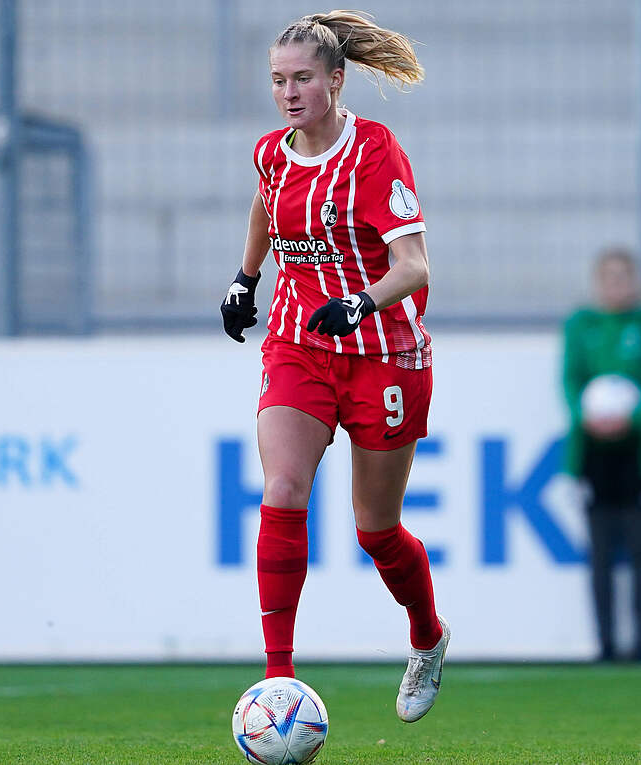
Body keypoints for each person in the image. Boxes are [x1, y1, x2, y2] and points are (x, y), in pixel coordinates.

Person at [220, 10, 447, 723]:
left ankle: (427, 636)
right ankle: (277, 680)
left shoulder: (375, 152)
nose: (288, 93)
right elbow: (266, 206)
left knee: (376, 530)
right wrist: (245, 279)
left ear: (337, 80)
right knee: (283, 487)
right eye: (278, 80)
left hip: (383, 354)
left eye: (302, 79)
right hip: (300, 344)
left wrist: (360, 302)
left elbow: (413, 266)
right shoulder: (271, 153)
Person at [562, 247, 641, 662]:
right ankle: (605, 644)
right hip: (594, 453)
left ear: (636, 282)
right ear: (598, 283)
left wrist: (632, 417)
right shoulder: (581, 325)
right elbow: (570, 380)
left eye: (623, 278)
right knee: (600, 552)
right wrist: (586, 416)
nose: (616, 286)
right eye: (608, 278)